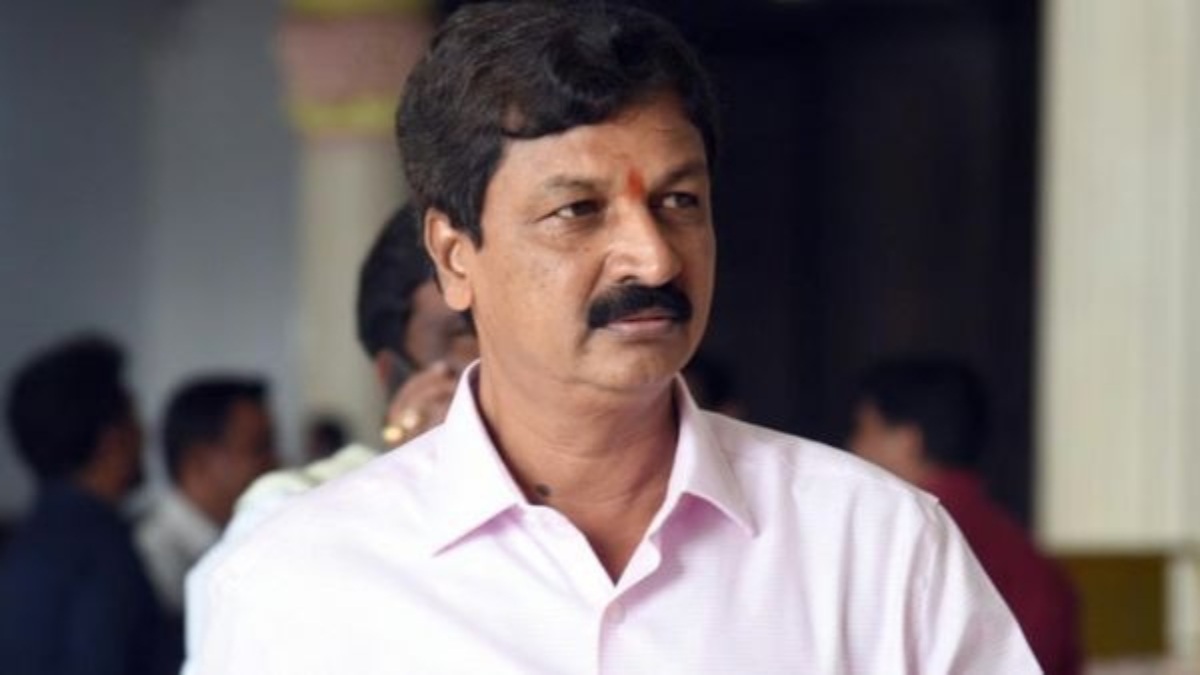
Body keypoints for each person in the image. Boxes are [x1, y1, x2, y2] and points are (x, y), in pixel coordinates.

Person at [191, 3, 1039, 672]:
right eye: (578, 210)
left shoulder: (873, 546)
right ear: (454, 257)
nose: (654, 256)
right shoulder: (298, 583)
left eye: (679, 201)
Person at [180, 204, 478, 672]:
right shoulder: (287, 516)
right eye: (463, 334)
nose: (494, 357)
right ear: (392, 374)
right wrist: (422, 470)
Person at [849, 357, 1080, 674]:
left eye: (864, 430)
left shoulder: (906, 538)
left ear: (907, 442)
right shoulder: (1023, 551)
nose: (853, 448)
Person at [0, 335, 177, 675]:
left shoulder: (24, 545)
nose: (146, 435)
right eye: (135, 418)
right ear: (112, 439)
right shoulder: (102, 550)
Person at [135, 376, 276, 617]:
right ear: (198, 461)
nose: (276, 462)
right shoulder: (154, 560)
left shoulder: (241, 537)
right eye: (259, 448)